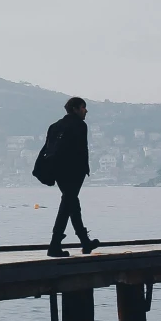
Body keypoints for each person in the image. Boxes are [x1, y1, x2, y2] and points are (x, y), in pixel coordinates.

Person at [35, 96, 96, 255]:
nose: (86, 111)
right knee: (68, 203)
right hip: (74, 171)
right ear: (75, 109)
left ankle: (85, 242)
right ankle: (54, 244)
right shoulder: (80, 125)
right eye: (83, 107)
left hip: (57, 171)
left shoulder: (54, 126)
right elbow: (82, 150)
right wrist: (84, 169)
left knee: (72, 203)